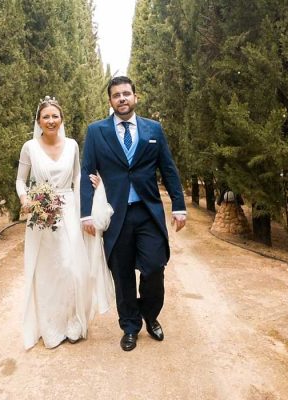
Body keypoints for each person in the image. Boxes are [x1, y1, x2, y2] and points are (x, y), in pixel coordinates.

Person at [80, 76, 187, 351]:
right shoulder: (96, 132)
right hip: (115, 215)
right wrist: (85, 214)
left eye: (126, 93)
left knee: (154, 267)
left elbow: (169, 169)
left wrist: (178, 206)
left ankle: (150, 315)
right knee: (122, 273)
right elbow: (87, 173)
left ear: (135, 97)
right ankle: (130, 325)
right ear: (110, 101)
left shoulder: (154, 129)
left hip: (147, 212)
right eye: (116, 95)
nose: (122, 99)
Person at [16, 97, 113, 350]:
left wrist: (92, 193)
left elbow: (79, 175)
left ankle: (74, 322)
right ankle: (51, 328)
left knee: (73, 268)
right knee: (49, 271)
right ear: (38, 121)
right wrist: (26, 199)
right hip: (42, 213)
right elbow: (20, 181)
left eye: (55, 116)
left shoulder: (71, 145)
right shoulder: (29, 147)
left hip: (69, 208)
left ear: (61, 120)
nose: (51, 121)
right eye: (45, 117)